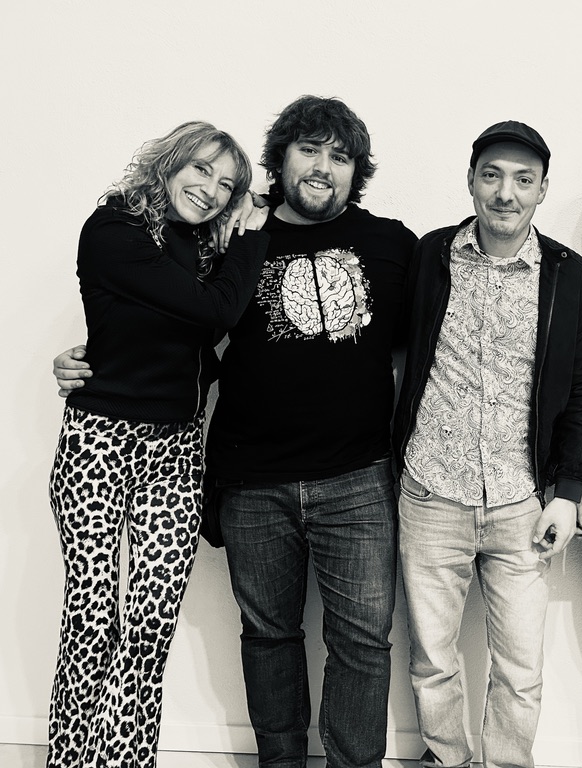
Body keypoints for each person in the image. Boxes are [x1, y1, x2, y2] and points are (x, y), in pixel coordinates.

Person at [53, 96, 417, 768]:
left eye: (340, 156)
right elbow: (173, 318)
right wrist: (88, 359)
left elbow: (424, 348)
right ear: (280, 158)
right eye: (309, 149)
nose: (323, 166)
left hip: (356, 478)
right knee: (263, 636)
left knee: (363, 642)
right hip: (250, 478)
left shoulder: (393, 243)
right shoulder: (227, 235)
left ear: (357, 171)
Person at [48, 121, 268, 768]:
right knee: (93, 621)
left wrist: (246, 215)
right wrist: (251, 238)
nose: (210, 190)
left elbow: (190, 341)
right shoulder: (114, 228)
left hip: (174, 450)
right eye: (201, 169)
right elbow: (213, 312)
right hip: (97, 441)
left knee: (149, 627)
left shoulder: (203, 248)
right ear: (169, 163)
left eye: (226, 185)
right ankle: (71, 761)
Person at [391, 120, 582, 768]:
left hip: (520, 502)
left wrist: (568, 492)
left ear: (542, 190)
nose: (505, 193)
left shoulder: (569, 274)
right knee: (433, 660)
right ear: (471, 181)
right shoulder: (430, 255)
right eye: (492, 176)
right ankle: (447, 759)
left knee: (521, 669)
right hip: (431, 491)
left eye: (522, 180)